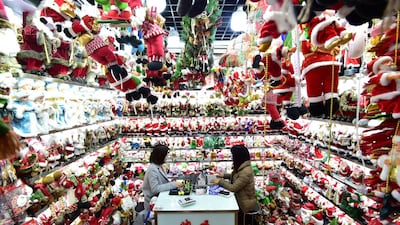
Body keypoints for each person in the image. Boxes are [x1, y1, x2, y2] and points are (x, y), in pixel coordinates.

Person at [135, 144, 183, 225]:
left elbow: (161, 183)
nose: (167, 157)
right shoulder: (152, 169)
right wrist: (174, 184)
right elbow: (155, 189)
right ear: (161, 156)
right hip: (153, 203)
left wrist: (172, 183)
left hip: (159, 201)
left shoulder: (159, 166)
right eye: (166, 155)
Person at [210, 145, 257, 224]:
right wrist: (224, 175)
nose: (232, 158)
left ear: (238, 157)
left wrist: (220, 182)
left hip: (245, 204)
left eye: (233, 156)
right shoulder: (242, 167)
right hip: (241, 198)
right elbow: (236, 177)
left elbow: (234, 188)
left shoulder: (246, 172)